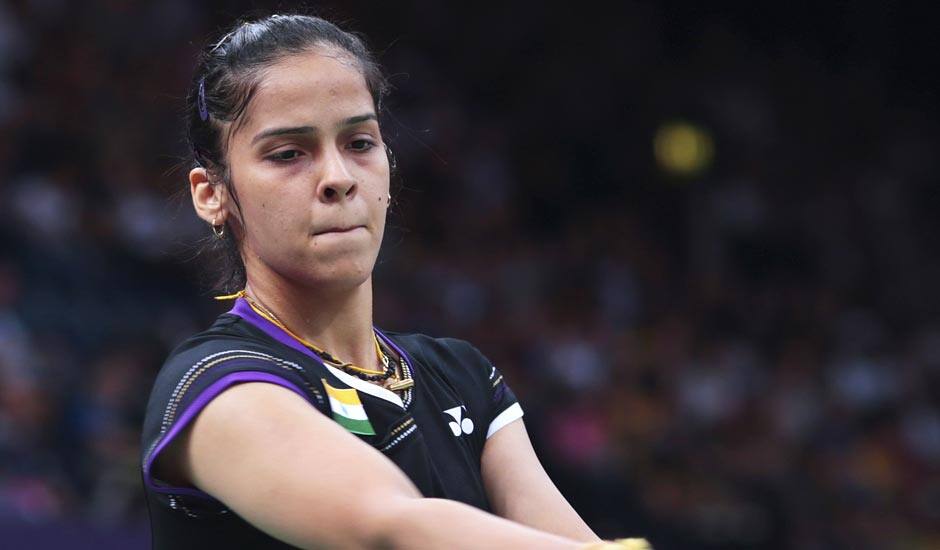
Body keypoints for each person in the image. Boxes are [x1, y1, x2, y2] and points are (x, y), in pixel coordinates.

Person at [139, 13, 651, 550]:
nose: (338, 178)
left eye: (359, 142)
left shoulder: (461, 378)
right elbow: (392, 527)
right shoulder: (214, 384)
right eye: (288, 153)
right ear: (211, 193)